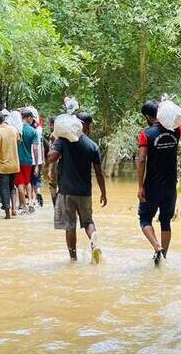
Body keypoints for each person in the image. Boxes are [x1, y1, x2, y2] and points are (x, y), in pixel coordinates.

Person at [46, 112, 107, 263]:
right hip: (85, 192)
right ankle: (94, 242)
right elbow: (99, 173)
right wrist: (103, 193)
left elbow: (50, 158)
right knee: (88, 222)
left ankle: (73, 259)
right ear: (87, 126)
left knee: (69, 226)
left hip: (66, 191)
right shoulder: (92, 146)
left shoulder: (63, 141)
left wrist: (54, 142)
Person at [136, 99, 181, 266]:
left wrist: (140, 186)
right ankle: (163, 256)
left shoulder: (146, 134)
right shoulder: (176, 131)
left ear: (148, 117)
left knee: (144, 218)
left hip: (152, 185)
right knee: (165, 221)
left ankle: (157, 247)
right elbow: (180, 121)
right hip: (170, 186)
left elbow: (142, 160)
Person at [0, 111, 21, 219]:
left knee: (4, 189)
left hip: (3, 166)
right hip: (15, 164)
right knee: (12, 187)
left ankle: (7, 214)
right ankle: (14, 209)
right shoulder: (14, 130)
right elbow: (19, 141)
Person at [16, 109, 40, 213]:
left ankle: (23, 206)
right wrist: (36, 165)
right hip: (28, 160)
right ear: (29, 118)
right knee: (28, 181)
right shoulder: (33, 131)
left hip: (17, 161)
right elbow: (35, 149)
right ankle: (30, 201)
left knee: (20, 183)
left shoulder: (17, 129)